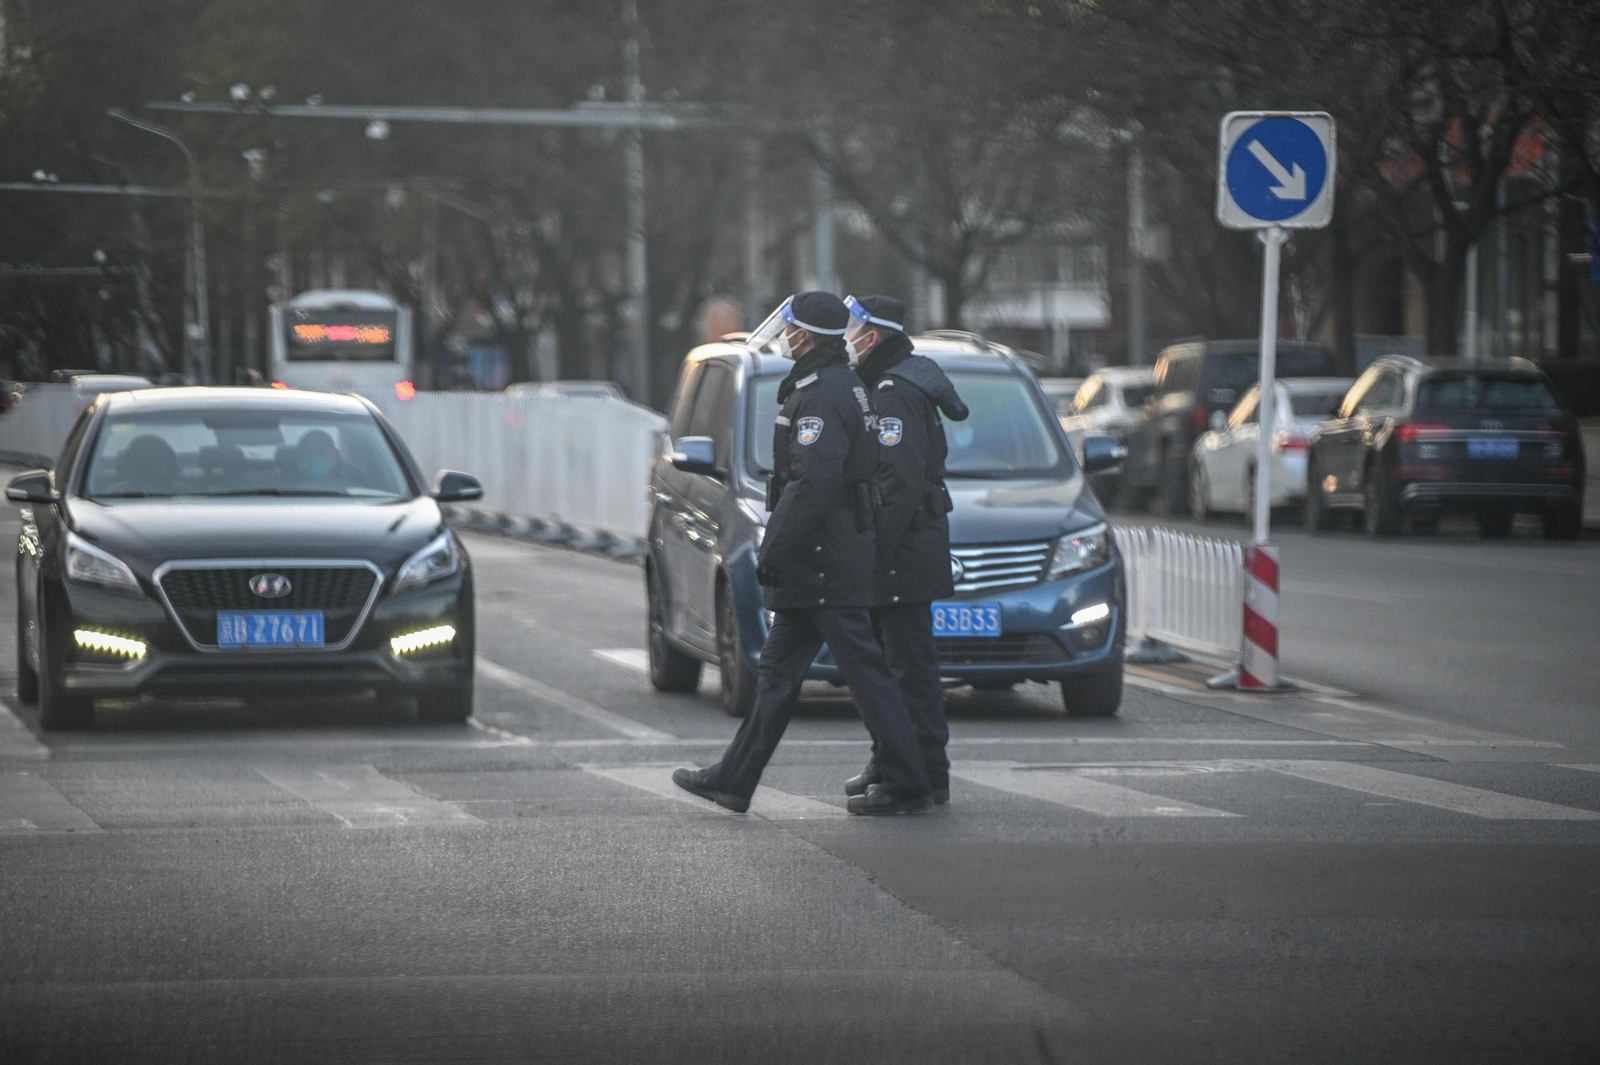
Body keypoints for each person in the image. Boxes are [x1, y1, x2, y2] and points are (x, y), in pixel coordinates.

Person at [673, 292, 934, 816]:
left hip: (823, 559)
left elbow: (813, 483)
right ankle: (734, 779)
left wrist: (775, 546)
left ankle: (909, 781)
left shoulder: (821, 393)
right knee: (777, 676)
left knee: (864, 673)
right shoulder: (838, 385)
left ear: (807, 336)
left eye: (792, 330)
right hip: (823, 557)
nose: (786, 336)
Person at [842, 295, 969, 806]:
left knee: (907, 669)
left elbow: (897, 482)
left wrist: (872, 551)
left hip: (902, 550)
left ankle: (918, 776)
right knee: (894, 663)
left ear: (872, 337)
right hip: (907, 546)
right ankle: (892, 759)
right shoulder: (888, 382)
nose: (847, 338)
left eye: (853, 330)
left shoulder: (893, 391)